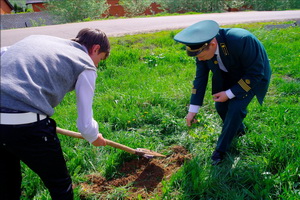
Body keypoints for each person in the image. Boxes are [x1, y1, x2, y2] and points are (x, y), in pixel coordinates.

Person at [0, 28, 110, 199]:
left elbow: (4, 52)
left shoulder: (37, 39)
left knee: (7, 184)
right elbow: (85, 125)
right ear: (95, 49)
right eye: (100, 59)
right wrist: (94, 137)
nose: (96, 64)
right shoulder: (85, 64)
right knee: (59, 184)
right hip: (26, 123)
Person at [173, 20, 271, 165]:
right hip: (229, 75)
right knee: (220, 106)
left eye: (200, 56)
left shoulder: (242, 39)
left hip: (251, 76)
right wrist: (193, 110)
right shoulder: (203, 48)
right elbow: (200, 79)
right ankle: (238, 130)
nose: (199, 59)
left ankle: (220, 150)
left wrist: (230, 93)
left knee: (235, 108)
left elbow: (255, 73)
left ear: (212, 44)